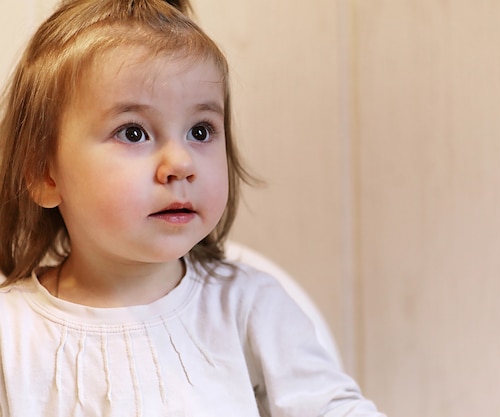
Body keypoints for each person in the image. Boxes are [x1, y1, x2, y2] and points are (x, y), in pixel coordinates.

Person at [0, 0, 386, 416]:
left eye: (200, 131)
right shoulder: (12, 332)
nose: (181, 164)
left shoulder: (249, 307)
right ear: (45, 174)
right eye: (133, 132)